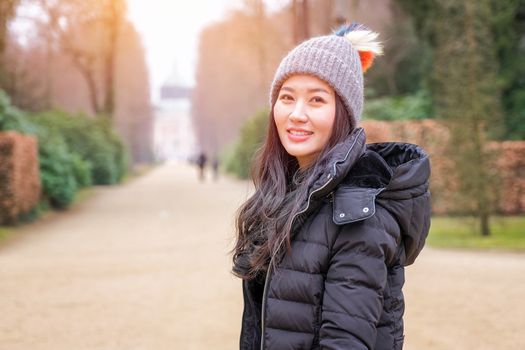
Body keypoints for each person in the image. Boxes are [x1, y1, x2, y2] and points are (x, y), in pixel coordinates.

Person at [231, 22, 431, 350]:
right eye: (287, 97)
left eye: (316, 100)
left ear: (343, 113)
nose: (297, 114)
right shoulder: (288, 197)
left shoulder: (358, 215)